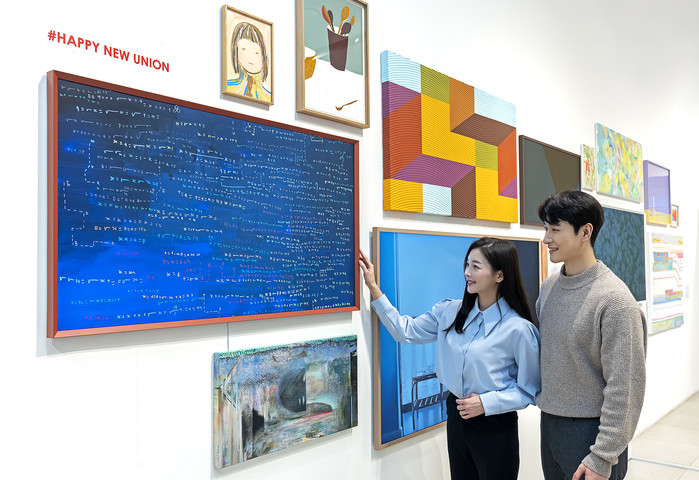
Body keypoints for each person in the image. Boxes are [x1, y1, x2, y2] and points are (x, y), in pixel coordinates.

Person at [359, 237, 541, 480]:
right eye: (467, 264)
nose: (467, 272)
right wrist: (374, 288)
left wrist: (486, 403)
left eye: (476, 266)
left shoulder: (518, 329)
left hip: (495, 425)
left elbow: (529, 390)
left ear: (499, 275)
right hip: (456, 416)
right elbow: (405, 330)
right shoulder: (449, 312)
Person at [536, 191, 647, 480]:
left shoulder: (615, 301)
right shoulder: (548, 289)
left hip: (592, 434)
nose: (546, 238)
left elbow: (625, 388)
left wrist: (602, 455)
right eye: (546, 228)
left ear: (585, 232)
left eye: (555, 229)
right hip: (550, 425)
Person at [228, 22, 271, 103]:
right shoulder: (229, 88)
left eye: (256, 53)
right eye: (244, 49)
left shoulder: (268, 97)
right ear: (236, 52)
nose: (251, 58)